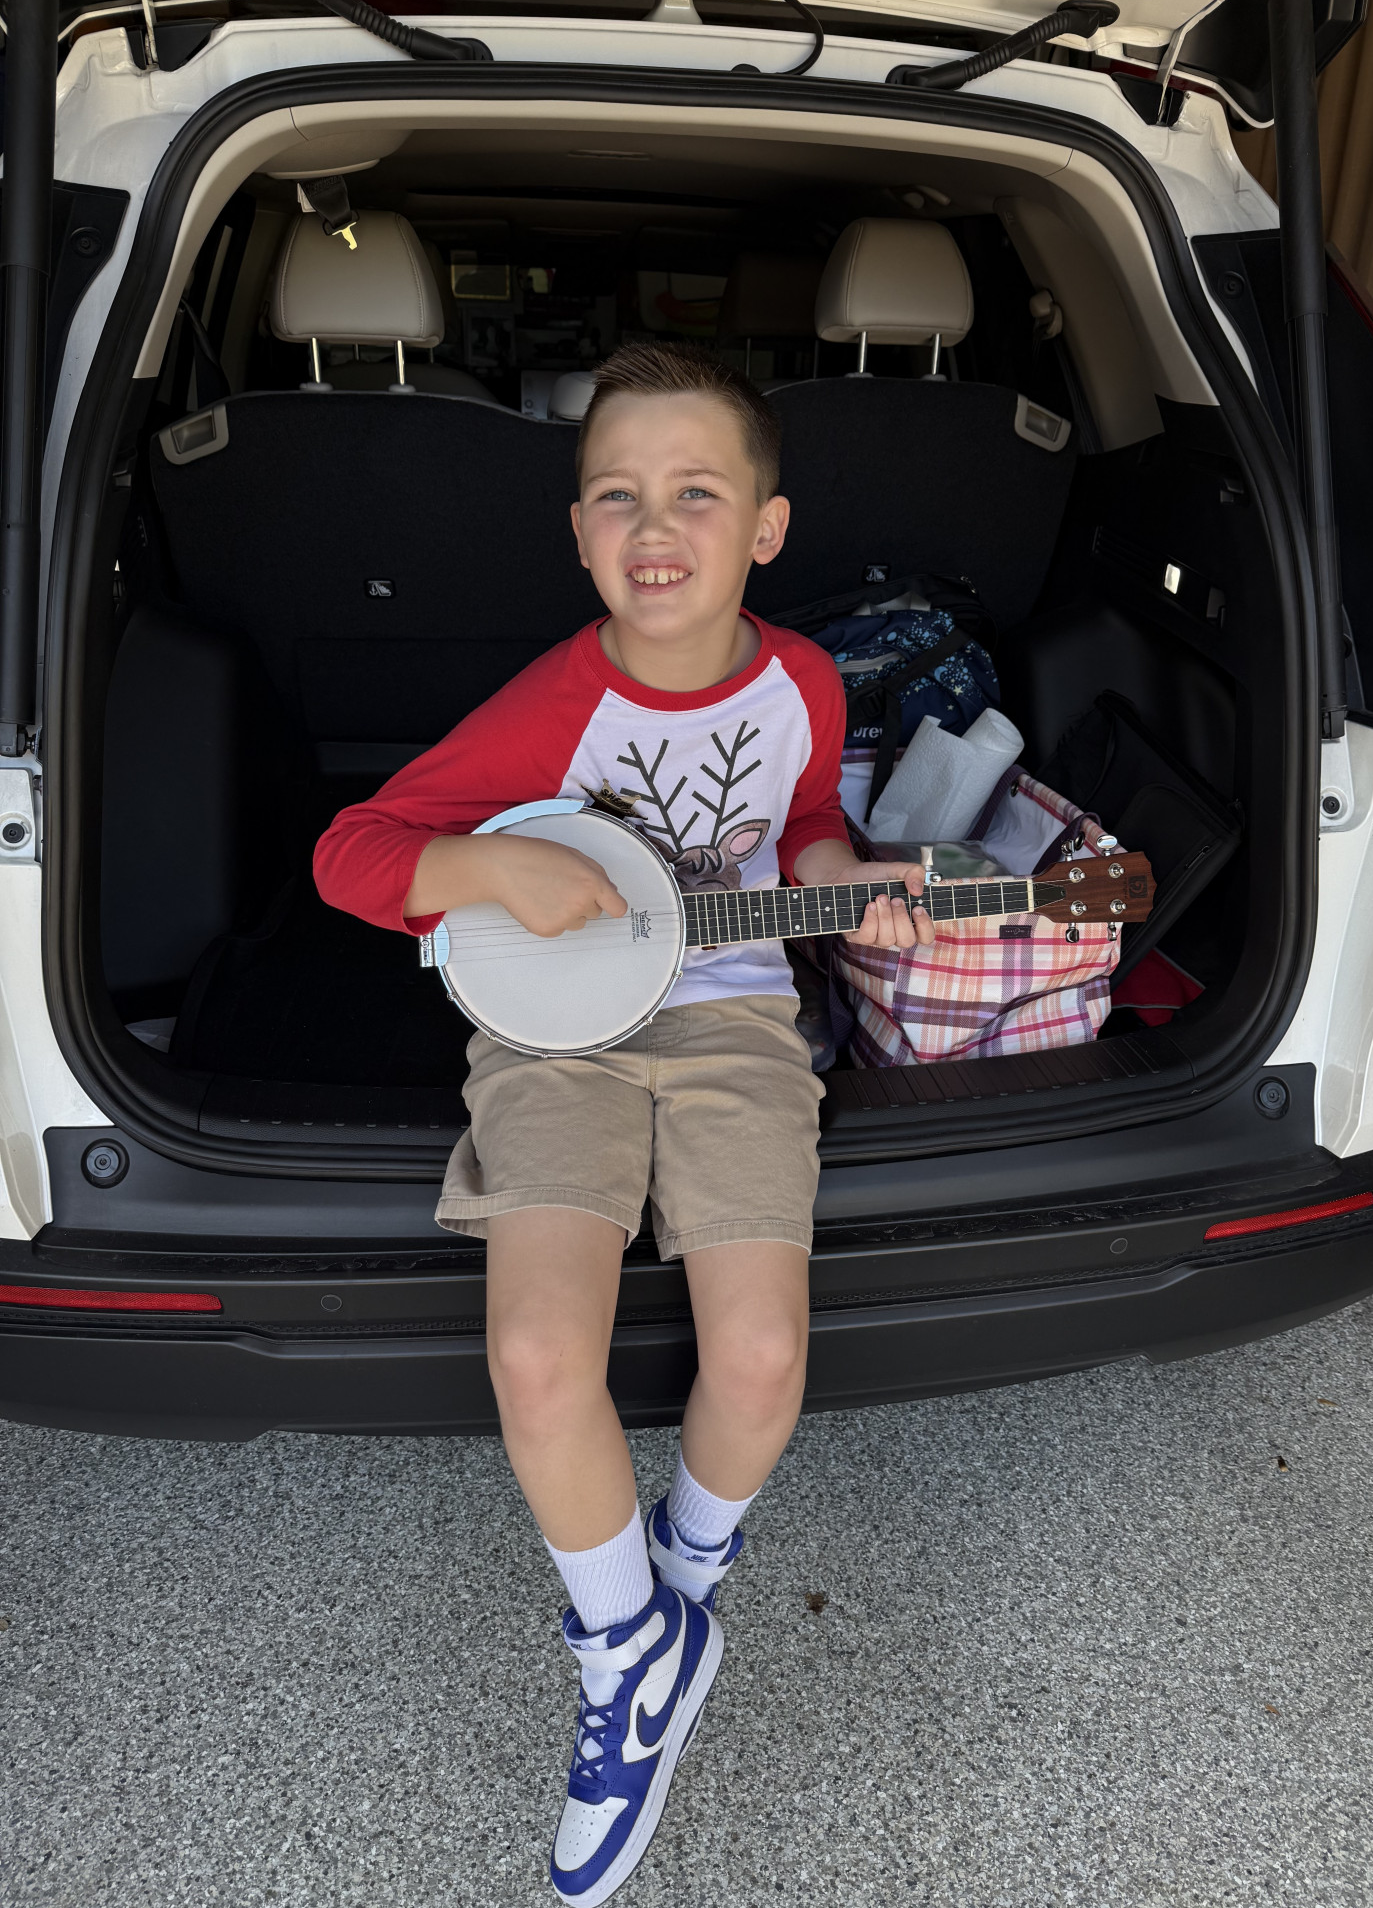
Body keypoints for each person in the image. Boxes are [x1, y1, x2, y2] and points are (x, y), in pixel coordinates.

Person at [314, 342, 935, 1904]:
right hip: (558, 1036)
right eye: (617, 497)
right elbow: (351, 852)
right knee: (538, 1355)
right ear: (581, 532)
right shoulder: (555, 706)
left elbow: (801, 825)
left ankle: (685, 1583)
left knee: (763, 1357)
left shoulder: (803, 682)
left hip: (732, 1021)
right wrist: (489, 868)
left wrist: (850, 883)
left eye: (696, 494)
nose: (656, 528)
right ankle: (624, 1658)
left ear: (767, 529)